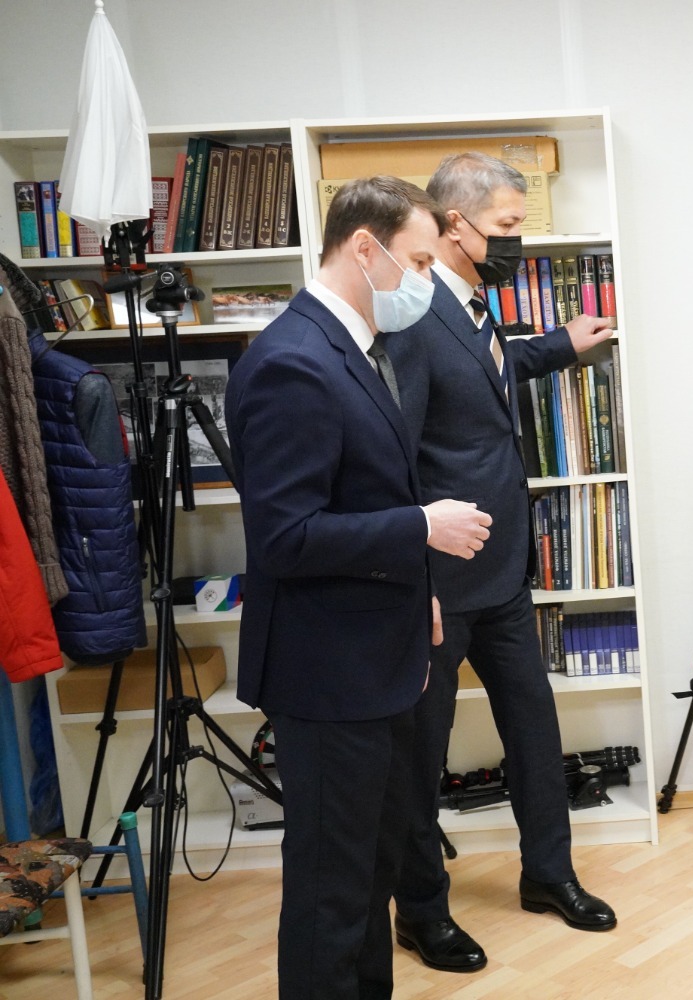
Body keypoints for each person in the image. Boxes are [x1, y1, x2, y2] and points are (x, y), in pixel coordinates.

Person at [227, 175, 493, 1000]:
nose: (427, 280)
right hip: (328, 674)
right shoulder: (292, 362)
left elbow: (357, 493)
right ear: (365, 247)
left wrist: (420, 587)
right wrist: (421, 528)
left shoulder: (355, 345)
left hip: (379, 659)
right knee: (331, 895)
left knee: (369, 879)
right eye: (420, 261)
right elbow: (286, 537)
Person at [382, 152, 617, 973]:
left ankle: (548, 875)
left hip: (505, 571)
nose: (519, 240)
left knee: (534, 730)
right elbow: (397, 453)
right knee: (422, 753)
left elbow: (486, 373)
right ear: (456, 224)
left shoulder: (476, 305)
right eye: (509, 226)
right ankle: (420, 912)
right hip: (440, 582)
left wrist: (557, 346)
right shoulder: (411, 315)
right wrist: (416, 576)